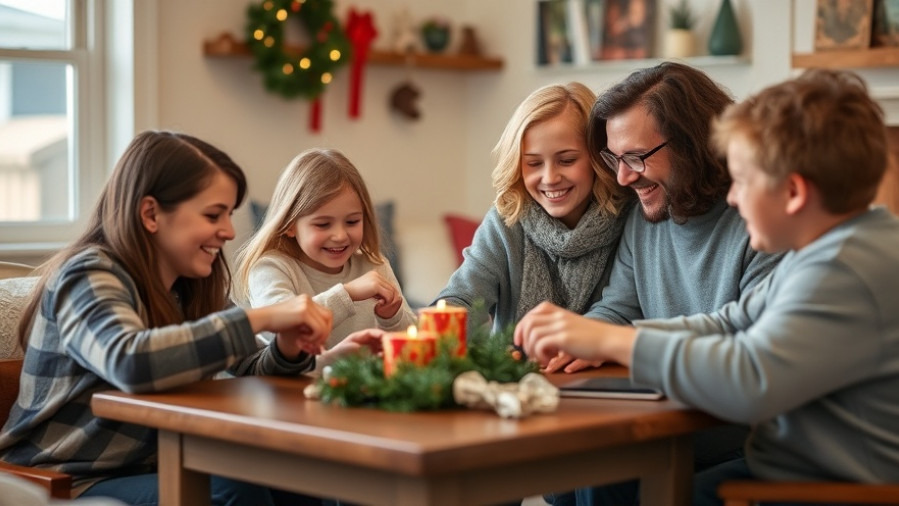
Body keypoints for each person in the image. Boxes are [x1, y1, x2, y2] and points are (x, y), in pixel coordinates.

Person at [517, 68, 899, 505]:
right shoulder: (827, 253)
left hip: (823, 489)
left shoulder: (842, 270)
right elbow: (730, 322)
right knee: (589, 479)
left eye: (742, 181)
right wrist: (604, 337)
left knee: (626, 487)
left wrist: (611, 340)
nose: (733, 197)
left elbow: (750, 375)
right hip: (786, 469)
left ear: (793, 192)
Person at [0, 130, 354, 505]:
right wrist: (262, 317)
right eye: (213, 214)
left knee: (303, 478)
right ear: (151, 213)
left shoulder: (190, 284)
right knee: (234, 491)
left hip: (156, 464)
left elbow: (250, 366)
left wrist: (287, 346)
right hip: (68, 478)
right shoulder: (89, 275)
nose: (229, 231)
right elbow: (131, 361)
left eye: (229, 214)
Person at [538, 62, 784, 505]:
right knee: (570, 477)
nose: (623, 177)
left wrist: (612, 341)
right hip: (668, 425)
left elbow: (749, 347)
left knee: (608, 474)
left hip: (741, 438)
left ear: (693, 145)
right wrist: (582, 339)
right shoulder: (644, 218)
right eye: (615, 159)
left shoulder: (761, 221)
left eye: (636, 157)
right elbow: (619, 308)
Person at [433, 82, 632, 341]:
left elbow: (619, 308)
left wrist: (567, 344)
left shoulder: (630, 219)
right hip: (514, 375)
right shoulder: (507, 220)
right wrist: (432, 332)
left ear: (597, 157)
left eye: (567, 160)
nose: (549, 178)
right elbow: (465, 296)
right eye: (534, 163)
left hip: (600, 372)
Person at [233, 148, 415, 371]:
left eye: (352, 222)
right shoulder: (270, 267)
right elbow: (278, 331)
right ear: (290, 225)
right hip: (290, 396)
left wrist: (392, 318)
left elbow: (412, 345)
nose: (340, 235)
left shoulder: (375, 266)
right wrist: (347, 293)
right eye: (323, 224)